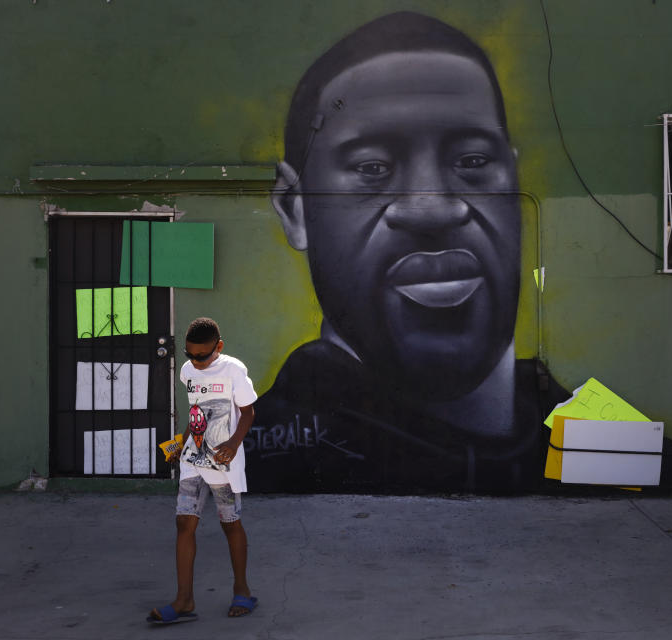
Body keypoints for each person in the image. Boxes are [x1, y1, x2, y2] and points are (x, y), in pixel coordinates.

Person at [249, 11, 571, 494]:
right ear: (295, 210)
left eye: (474, 161)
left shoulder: (615, 452)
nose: (430, 208)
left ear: (514, 184)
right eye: (373, 167)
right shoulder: (264, 459)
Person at [147, 317, 259, 624]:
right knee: (184, 524)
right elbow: (196, 410)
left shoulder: (234, 370)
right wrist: (181, 443)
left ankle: (242, 591)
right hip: (193, 459)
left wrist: (235, 444)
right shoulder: (187, 372)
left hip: (224, 462)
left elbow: (248, 412)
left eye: (202, 356)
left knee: (230, 524)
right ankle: (184, 600)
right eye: (190, 355)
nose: (195, 362)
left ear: (218, 347)